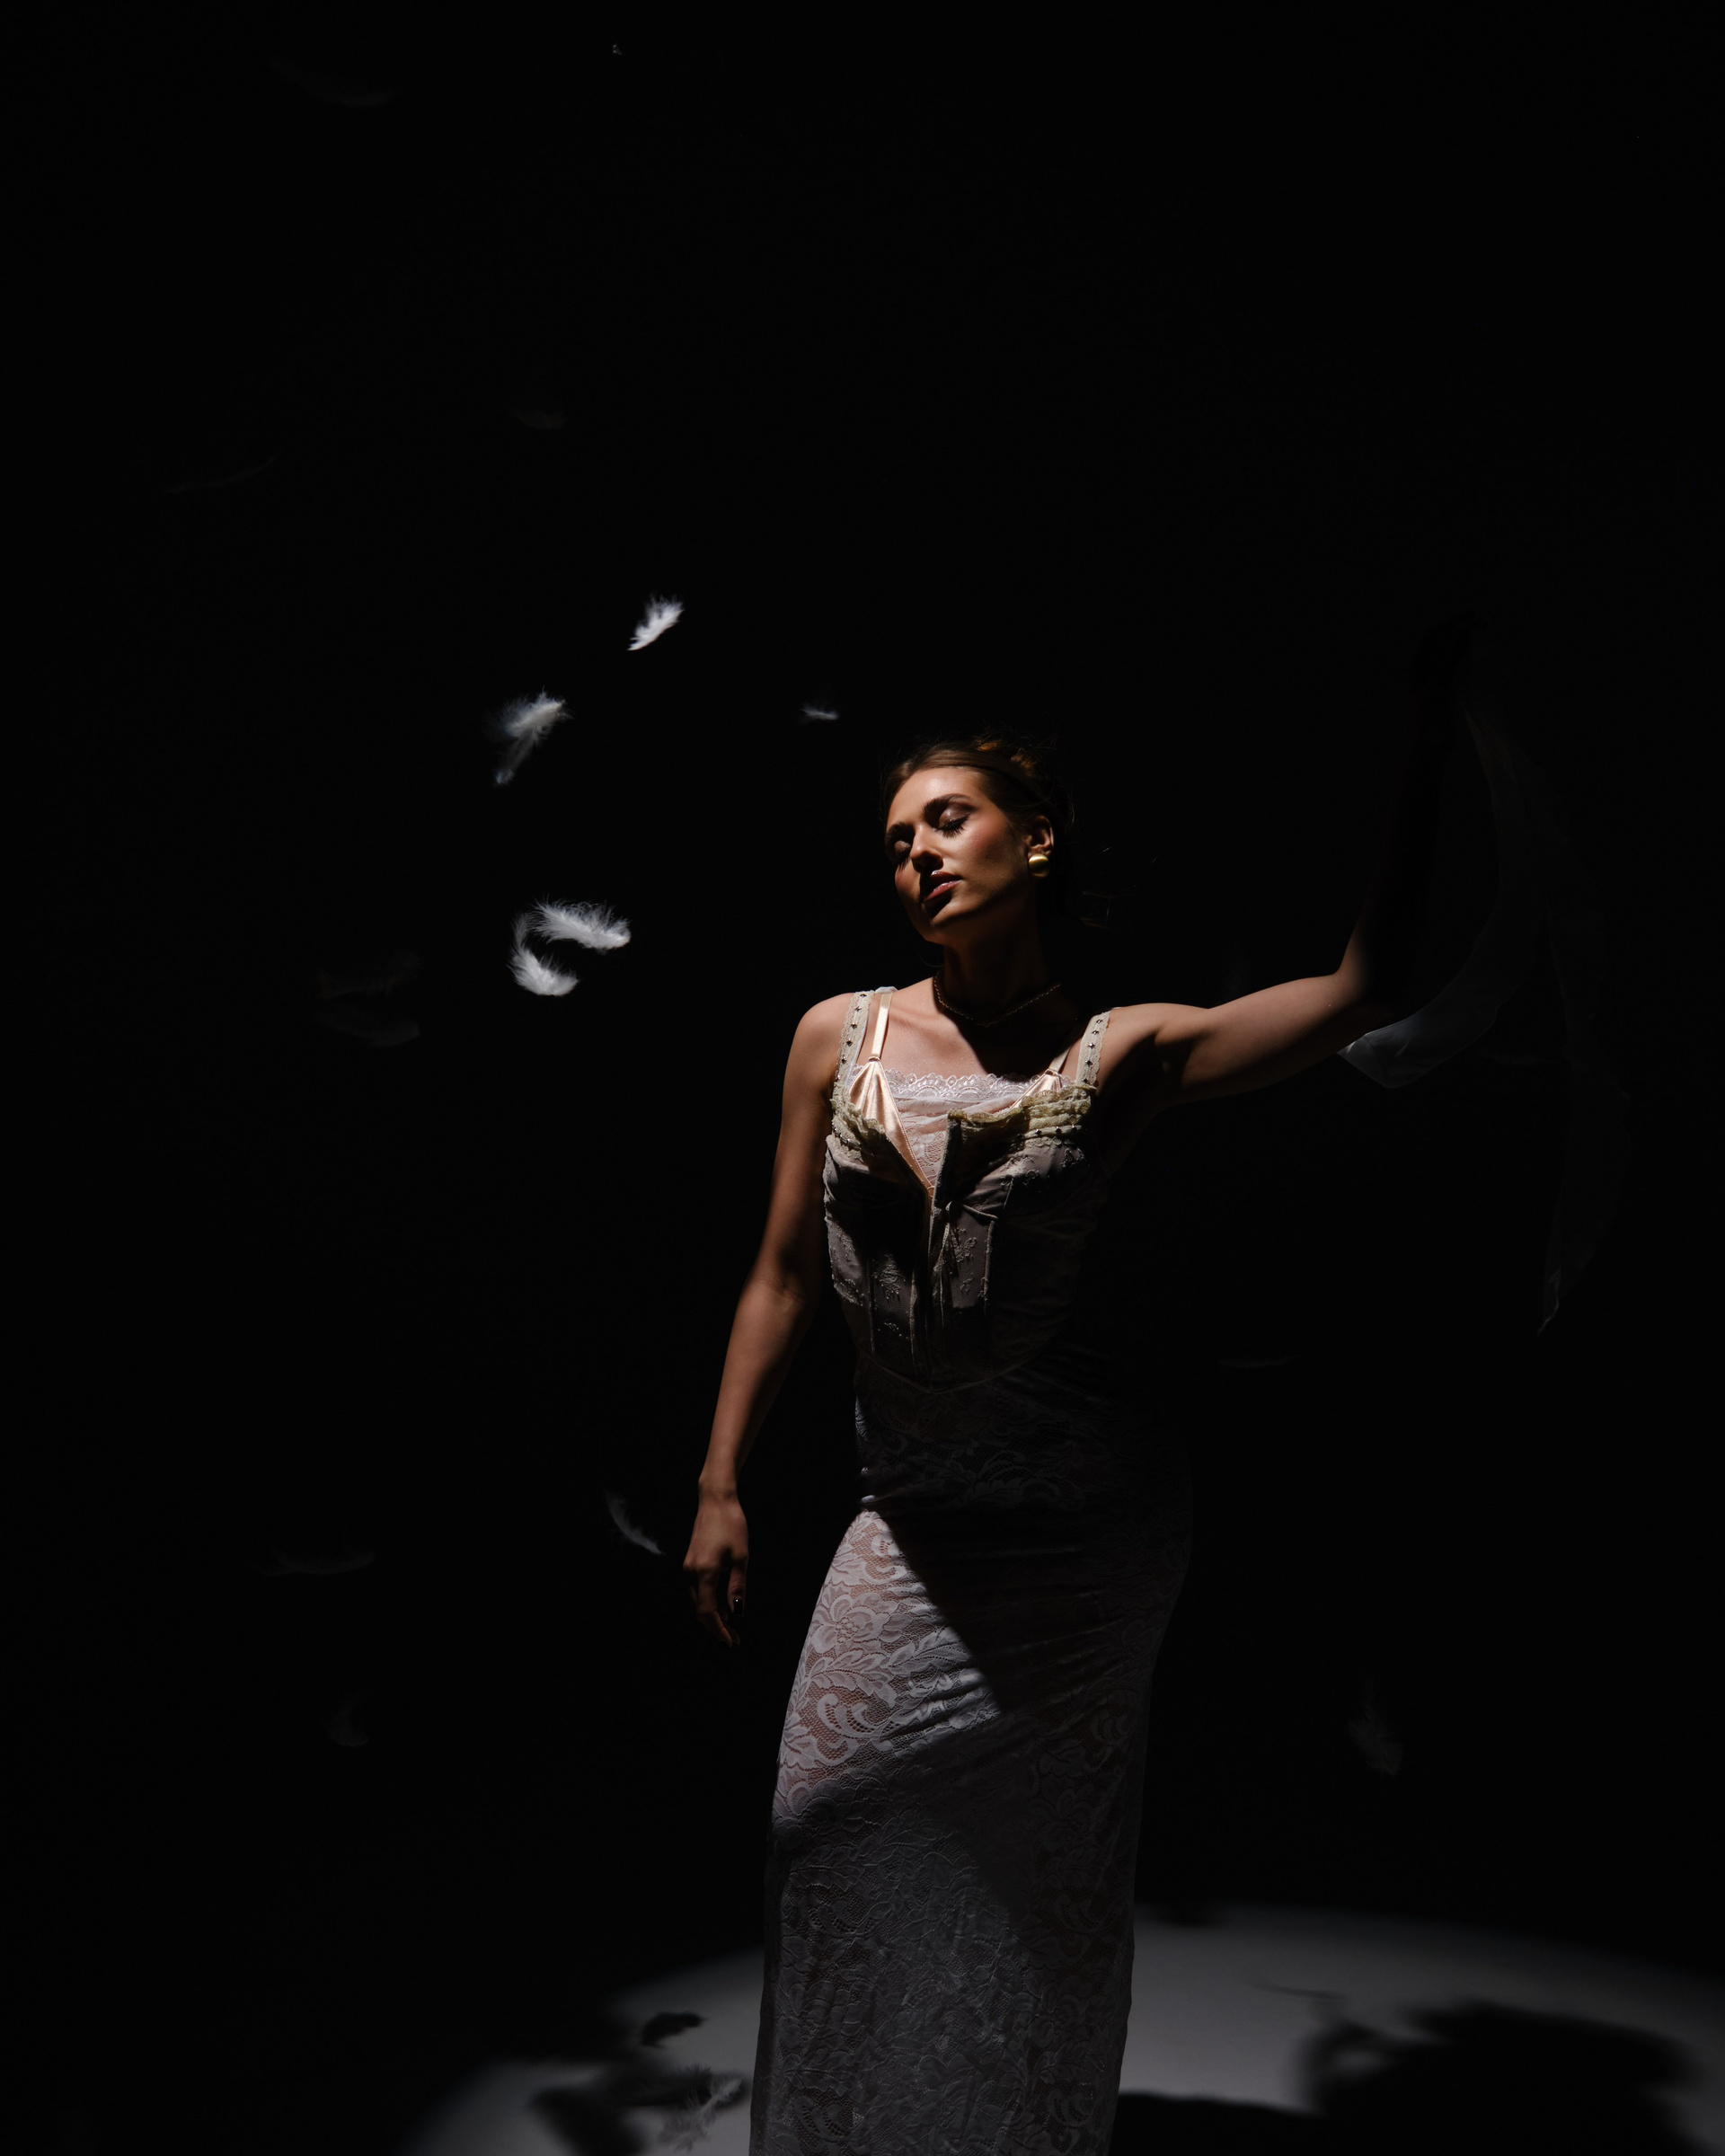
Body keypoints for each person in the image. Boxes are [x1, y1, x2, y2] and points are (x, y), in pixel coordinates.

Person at [685, 623, 1472, 2154]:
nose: (918, 853)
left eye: (948, 819)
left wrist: (1430, 758)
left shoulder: (1124, 1055)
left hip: (1083, 1528)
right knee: (822, 1827)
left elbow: (1366, 986)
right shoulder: (835, 1035)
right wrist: (720, 1480)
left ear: (1035, 839)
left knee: (1039, 1870)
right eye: (896, 839)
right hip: (911, 1510)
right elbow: (780, 1275)